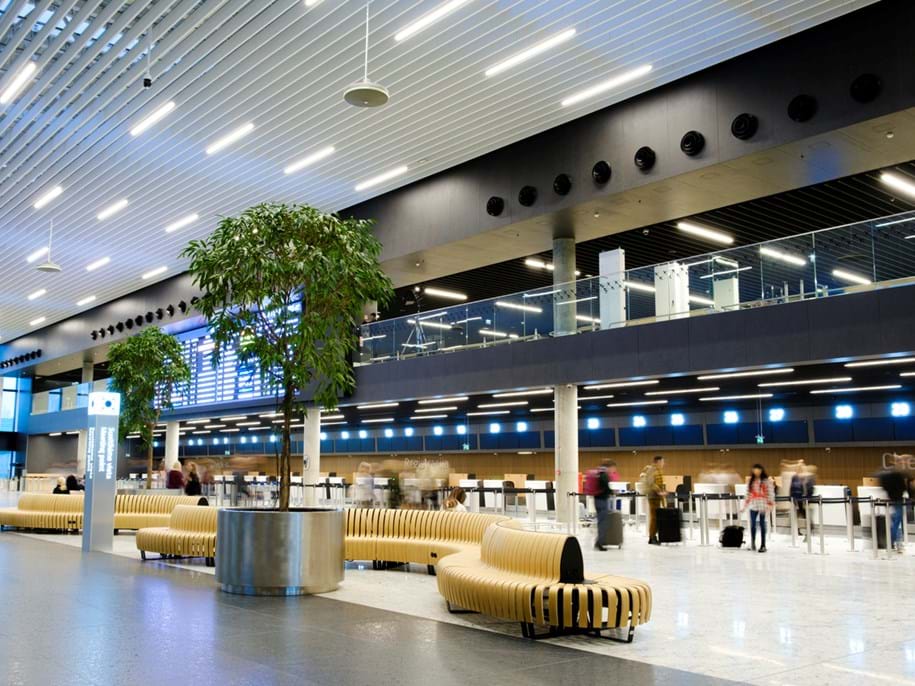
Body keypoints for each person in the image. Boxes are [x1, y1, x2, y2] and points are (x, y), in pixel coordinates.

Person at [878, 456, 911, 553]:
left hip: (889, 500)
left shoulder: (885, 475)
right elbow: (903, 487)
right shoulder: (898, 475)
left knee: (894, 524)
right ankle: (892, 543)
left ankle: (895, 543)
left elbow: (883, 487)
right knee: (896, 524)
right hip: (898, 501)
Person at [742, 464, 775, 552]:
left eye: (758, 470)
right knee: (753, 525)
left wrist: (770, 504)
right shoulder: (751, 481)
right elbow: (748, 494)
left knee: (762, 524)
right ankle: (753, 543)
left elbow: (770, 493)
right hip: (753, 505)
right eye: (755, 470)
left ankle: (763, 544)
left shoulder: (766, 481)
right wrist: (744, 506)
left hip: (763, 505)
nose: (756, 472)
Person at [643, 455, 667, 545]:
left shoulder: (657, 470)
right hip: (653, 496)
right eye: (662, 462)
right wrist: (660, 491)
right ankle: (652, 537)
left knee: (656, 517)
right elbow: (651, 483)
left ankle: (653, 536)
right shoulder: (651, 470)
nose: (663, 464)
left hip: (657, 496)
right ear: (658, 462)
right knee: (654, 518)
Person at [594, 459, 614, 551]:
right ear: (609, 467)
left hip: (597, 500)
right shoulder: (604, 474)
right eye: (613, 468)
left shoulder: (599, 473)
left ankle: (599, 541)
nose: (613, 470)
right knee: (602, 523)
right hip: (602, 501)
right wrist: (612, 491)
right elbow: (606, 487)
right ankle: (600, 543)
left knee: (601, 521)